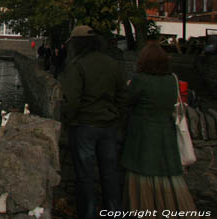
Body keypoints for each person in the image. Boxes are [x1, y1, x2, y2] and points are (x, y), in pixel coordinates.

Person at [60, 25, 127, 218]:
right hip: (109, 126)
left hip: (84, 126)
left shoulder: (77, 65)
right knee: (110, 174)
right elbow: (123, 96)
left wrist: (67, 120)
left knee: (85, 176)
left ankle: (87, 214)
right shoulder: (114, 64)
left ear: (76, 44)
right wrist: (116, 117)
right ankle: (113, 212)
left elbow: (72, 100)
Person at [120, 42, 196, 211]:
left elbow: (126, 101)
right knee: (167, 173)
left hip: (143, 134)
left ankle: (145, 209)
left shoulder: (140, 80)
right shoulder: (172, 80)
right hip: (166, 133)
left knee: (143, 172)